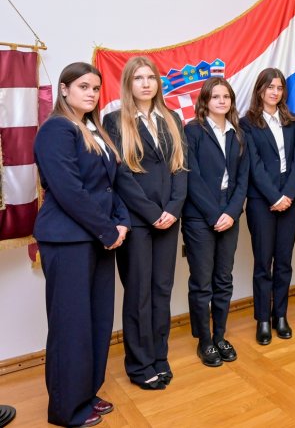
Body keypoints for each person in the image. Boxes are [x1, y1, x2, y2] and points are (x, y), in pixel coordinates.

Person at [34, 62, 129, 427]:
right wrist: (108, 231)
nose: (91, 93)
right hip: (68, 240)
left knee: (96, 320)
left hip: (98, 238)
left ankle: (86, 393)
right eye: (83, 86)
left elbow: (109, 185)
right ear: (64, 89)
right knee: (71, 324)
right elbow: (69, 190)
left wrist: (121, 222)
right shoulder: (56, 129)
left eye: (95, 88)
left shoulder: (93, 129)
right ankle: (66, 408)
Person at [102, 57, 187, 390]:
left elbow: (181, 168)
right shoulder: (114, 121)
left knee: (161, 291)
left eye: (151, 77)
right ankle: (140, 365)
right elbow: (120, 175)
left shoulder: (172, 118)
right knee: (138, 293)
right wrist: (152, 213)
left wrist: (174, 209)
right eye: (138, 78)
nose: (146, 83)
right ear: (128, 84)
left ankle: (159, 357)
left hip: (169, 219)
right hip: (138, 222)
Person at [182, 77, 249, 367]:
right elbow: (191, 177)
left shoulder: (238, 133)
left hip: (229, 213)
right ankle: (204, 340)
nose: (222, 101)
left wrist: (231, 213)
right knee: (202, 282)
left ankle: (220, 335)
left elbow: (243, 179)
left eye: (226, 96)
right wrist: (214, 215)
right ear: (205, 101)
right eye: (216, 96)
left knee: (224, 279)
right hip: (200, 216)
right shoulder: (193, 131)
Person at [241, 68, 295, 343]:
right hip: (261, 202)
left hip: (291, 200)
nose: (275, 92)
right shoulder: (247, 124)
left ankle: (280, 315)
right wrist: (274, 197)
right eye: (270, 87)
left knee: (284, 262)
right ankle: (263, 319)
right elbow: (253, 165)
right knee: (263, 263)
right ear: (260, 90)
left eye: (279, 88)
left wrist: (288, 194)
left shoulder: (293, 121)